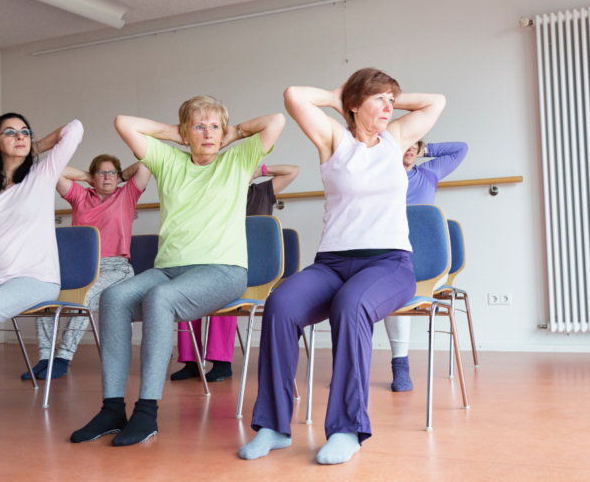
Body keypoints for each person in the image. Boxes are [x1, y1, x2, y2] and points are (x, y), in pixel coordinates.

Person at [240, 68, 445, 464]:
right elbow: (294, 93)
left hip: (389, 264)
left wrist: (387, 97)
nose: (388, 106)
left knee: (351, 307)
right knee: (281, 305)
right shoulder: (333, 139)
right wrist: (341, 97)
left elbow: (436, 101)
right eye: (378, 99)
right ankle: (273, 426)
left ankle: (348, 430)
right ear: (354, 104)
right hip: (332, 263)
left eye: (391, 100)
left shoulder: (396, 138)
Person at [71, 96, 284, 447]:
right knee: (113, 296)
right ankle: (112, 409)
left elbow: (275, 120)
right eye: (199, 126)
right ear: (186, 132)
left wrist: (234, 134)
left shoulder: (237, 160)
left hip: (223, 270)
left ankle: (146, 412)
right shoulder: (169, 160)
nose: (208, 133)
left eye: (214, 126)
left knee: (160, 299)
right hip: (169, 269)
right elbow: (124, 120)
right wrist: (175, 133)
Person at [0, 114, 83, 418]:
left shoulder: (42, 173)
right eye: (11, 133)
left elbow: (75, 128)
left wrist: (34, 146)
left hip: (36, 279)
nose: (21, 137)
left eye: (26, 132)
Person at [20, 154, 151, 380]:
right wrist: (86, 177)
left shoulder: (126, 194)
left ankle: (63, 358)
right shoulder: (80, 197)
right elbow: (53, 171)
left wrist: (120, 177)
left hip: (116, 268)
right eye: (101, 172)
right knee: (44, 292)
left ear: (119, 176)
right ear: (93, 177)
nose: (107, 177)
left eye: (112, 172)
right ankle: (45, 357)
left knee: (85, 295)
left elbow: (145, 165)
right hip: (79, 267)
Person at [171, 163, 299, 383]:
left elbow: (293, 170)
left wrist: (257, 171)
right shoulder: (212, 198)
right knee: (184, 292)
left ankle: (222, 363)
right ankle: (191, 362)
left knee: (224, 287)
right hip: (213, 263)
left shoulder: (261, 192)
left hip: (250, 270)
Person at [384, 139, 468, 391]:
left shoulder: (429, 173)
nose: (410, 147)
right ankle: (349, 364)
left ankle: (401, 366)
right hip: (391, 262)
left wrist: (423, 147)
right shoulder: (381, 177)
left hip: (429, 267)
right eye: (404, 142)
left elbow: (461, 148)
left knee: (397, 286)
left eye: (415, 143)